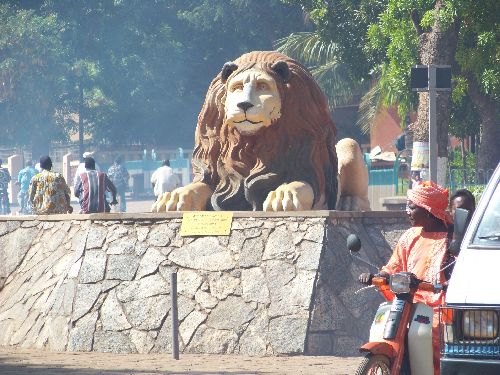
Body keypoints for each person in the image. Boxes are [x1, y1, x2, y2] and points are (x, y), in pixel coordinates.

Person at [359, 181, 453, 375]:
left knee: (433, 333)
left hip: (436, 304)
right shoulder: (409, 236)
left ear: (428, 211)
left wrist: (442, 285)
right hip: (406, 298)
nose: (407, 212)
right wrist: (378, 276)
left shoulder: (450, 240)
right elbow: (393, 266)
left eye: (411, 207)